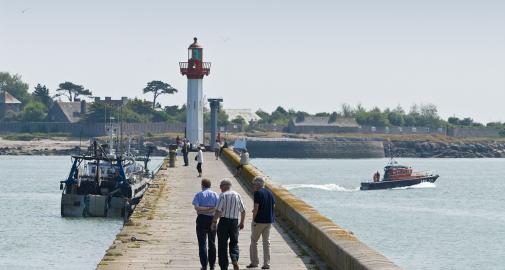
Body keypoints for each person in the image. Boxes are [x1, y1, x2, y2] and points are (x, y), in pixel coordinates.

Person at [211, 179, 246, 270]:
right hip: (234, 222)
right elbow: (243, 210)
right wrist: (242, 222)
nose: (220, 187)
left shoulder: (223, 196)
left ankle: (224, 267)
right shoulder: (237, 195)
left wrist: (214, 222)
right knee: (234, 242)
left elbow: (218, 210)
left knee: (222, 245)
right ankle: (234, 258)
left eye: (221, 185)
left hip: (224, 222)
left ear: (226, 185)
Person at [246, 177, 275, 269]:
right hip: (269, 221)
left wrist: (254, 219)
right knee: (266, 242)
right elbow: (273, 205)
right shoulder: (269, 192)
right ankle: (267, 264)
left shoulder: (257, 193)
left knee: (254, 241)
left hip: (259, 221)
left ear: (257, 185)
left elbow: (256, 207)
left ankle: (254, 262)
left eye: (254, 184)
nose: (253, 186)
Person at [192, 179, 219, 270]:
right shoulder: (215, 194)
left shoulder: (199, 194)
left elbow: (197, 208)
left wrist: (203, 209)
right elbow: (217, 208)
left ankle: (204, 265)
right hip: (212, 219)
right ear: (210, 185)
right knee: (212, 243)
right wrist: (210, 209)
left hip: (201, 219)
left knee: (202, 243)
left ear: (202, 185)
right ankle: (212, 265)